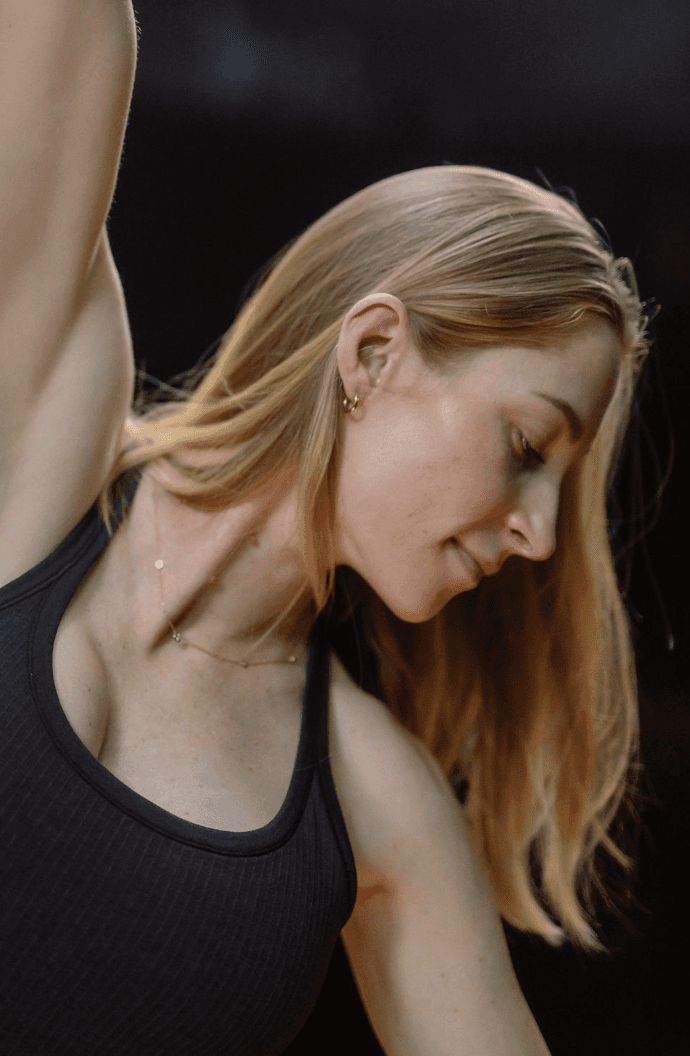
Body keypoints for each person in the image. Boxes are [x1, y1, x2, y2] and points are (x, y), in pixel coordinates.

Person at [0, 3, 652, 1054]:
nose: (539, 537)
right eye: (530, 448)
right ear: (374, 353)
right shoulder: (38, 440)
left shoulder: (371, 804)